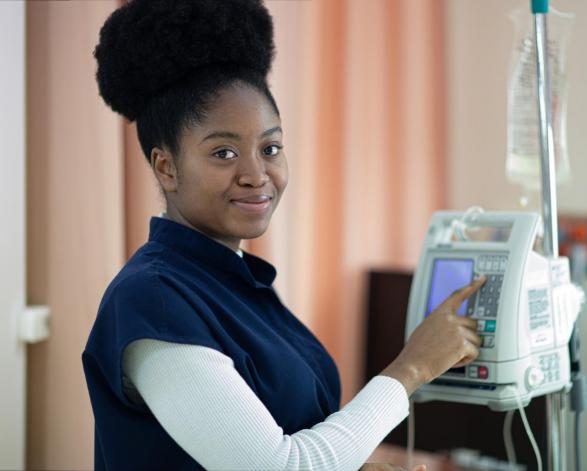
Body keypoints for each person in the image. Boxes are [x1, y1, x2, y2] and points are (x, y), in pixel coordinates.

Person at [82, 1, 486, 470]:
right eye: (224, 153)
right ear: (166, 167)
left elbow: (288, 435)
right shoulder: (154, 301)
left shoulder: (234, 283)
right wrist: (413, 366)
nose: (257, 174)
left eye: (270, 147)